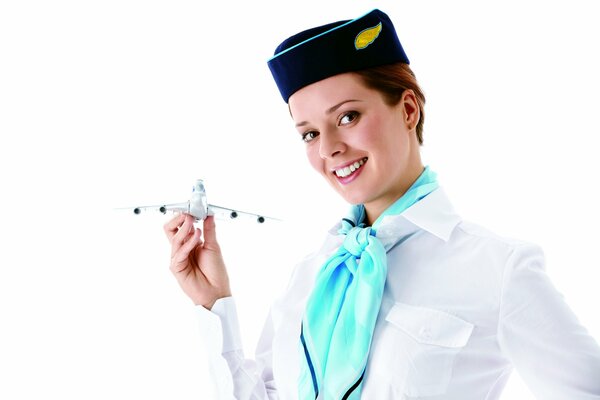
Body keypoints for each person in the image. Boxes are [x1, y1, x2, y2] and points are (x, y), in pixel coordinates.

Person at [163, 8, 600, 400]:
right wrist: (214, 304)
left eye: (347, 117)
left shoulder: (499, 269)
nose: (330, 148)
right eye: (310, 133)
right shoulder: (314, 273)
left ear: (408, 109)